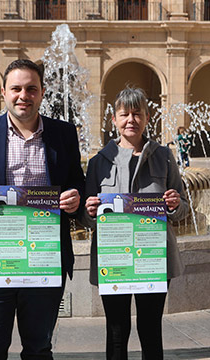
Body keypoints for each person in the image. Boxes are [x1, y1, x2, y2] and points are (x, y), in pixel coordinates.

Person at [0, 59, 85, 360]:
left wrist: (75, 199)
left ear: (42, 92)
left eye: (31, 89)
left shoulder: (63, 133)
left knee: (39, 349)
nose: (24, 95)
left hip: (43, 259)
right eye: (17, 89)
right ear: (4, 92)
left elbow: (77, 181)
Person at [81, 86, 189, 360]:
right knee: (116, 331)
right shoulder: (98, 163)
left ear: (146, 117)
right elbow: (86, 217)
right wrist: (90, 211)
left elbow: (183, 207)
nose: (131, 120)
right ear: (114, 120)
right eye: (124, 114)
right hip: (114, 258)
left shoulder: (164, 157)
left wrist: (175, 204)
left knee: (151, 329)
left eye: (137, 113)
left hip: (152, 258)